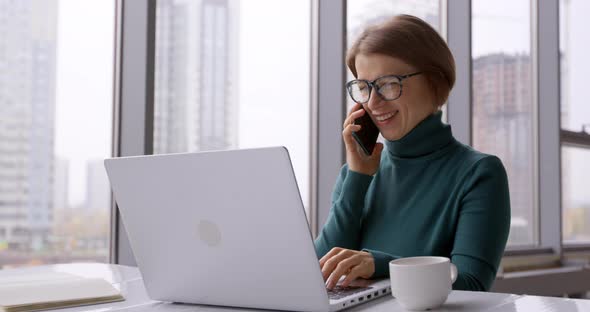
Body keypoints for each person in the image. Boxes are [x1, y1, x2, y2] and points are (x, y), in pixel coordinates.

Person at [315, 14, 510, 292]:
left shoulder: (479, 173)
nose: (373, 102)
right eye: (364, 87)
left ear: (434, 81)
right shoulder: (356, 174)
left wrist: (379, 264)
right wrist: (357, 178)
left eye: (388, 83)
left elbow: (471, 285)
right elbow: (318, 273)